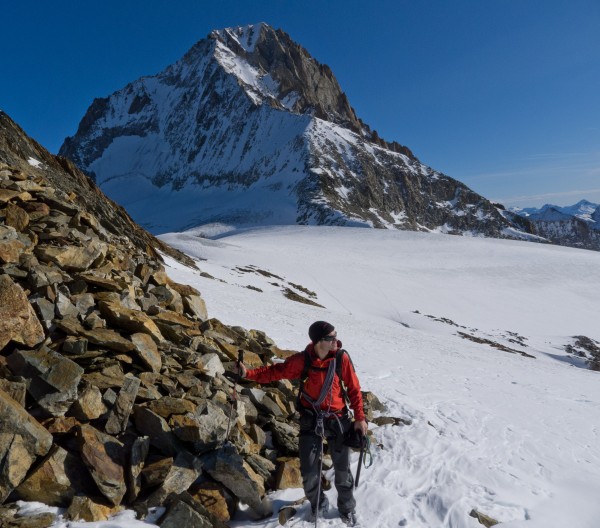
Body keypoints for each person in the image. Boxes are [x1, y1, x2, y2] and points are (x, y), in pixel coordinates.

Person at [234, 321, 367, 526]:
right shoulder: (303, 360)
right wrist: (247, 374)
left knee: (342, 471)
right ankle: (317, 504)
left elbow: (354, 389)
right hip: (311, 419)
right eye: (331, 338)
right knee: (308, 470)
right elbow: (276, 372)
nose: (336, 341)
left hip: (338, 419)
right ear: (318, 341)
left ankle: (346, 509)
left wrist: (360, 418)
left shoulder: (341, 358)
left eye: (335, 336)